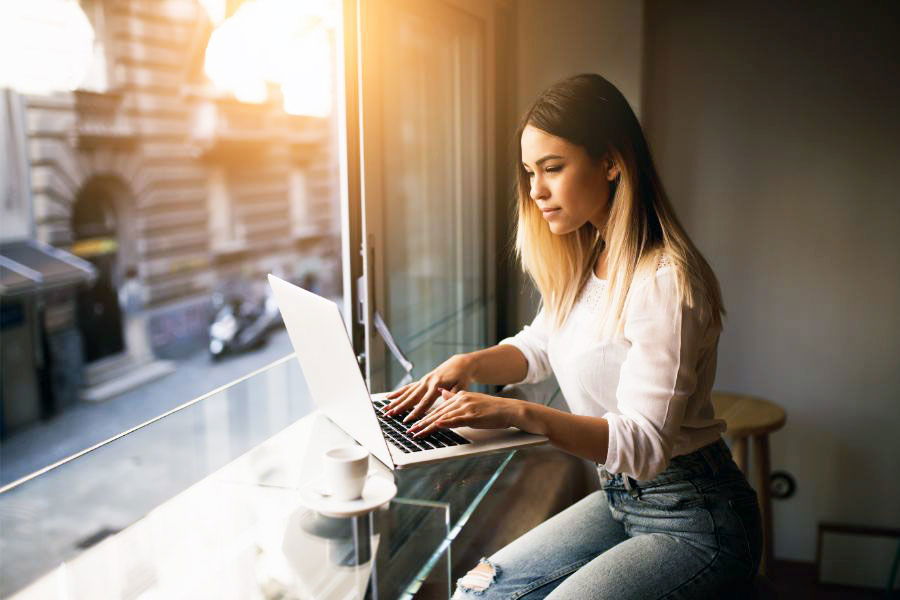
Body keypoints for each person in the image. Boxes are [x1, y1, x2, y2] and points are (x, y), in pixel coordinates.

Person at [385, 73, 762, 599]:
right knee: (476, 594)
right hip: (618, 498)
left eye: (552, 168)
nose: (535, 190)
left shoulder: (665, 280)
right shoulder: (591, 255)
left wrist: (517, 413)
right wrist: (467, 364)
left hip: (695, 518)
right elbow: (540, 346)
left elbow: (646, 446)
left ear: (610, 162)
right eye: (529, 172)